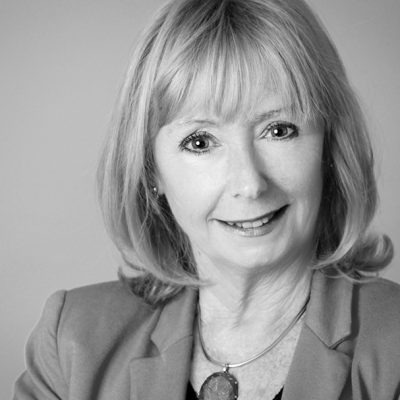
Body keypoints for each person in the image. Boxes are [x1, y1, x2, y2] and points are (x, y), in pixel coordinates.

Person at [13, 0, 400, 399]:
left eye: (279, 130)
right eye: (200, 142)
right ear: (151, 169)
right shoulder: (72, 343)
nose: (249, 184)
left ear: (329, 147)